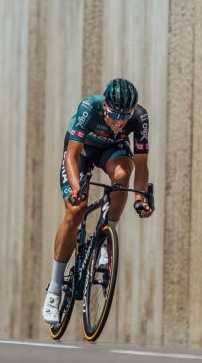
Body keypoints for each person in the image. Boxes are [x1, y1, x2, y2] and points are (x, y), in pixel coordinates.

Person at [41, 78, 153, 325]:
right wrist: (77, 188)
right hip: (81, 152)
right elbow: (70, 155)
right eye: (113, 114)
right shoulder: (88, 108)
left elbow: (142, 166)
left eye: (125, 115)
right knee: (75, 211)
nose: (119, 121)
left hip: (112, 151)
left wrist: (139, 198)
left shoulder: (140, 118)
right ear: (104, 106)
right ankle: (54, 290)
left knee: (122, 176)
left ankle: (105, 239)